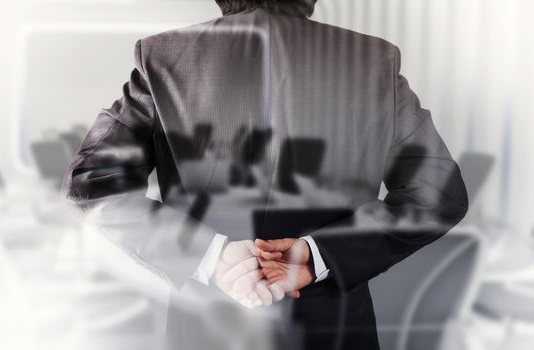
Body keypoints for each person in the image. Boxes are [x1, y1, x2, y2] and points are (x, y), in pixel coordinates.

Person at [61, 0, 468, 349]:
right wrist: (317, 256)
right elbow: (436, 193)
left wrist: (213, 257)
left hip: (207, 332)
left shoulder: (163, 57)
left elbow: (92, 182)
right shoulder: (373, 60)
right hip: (334, 332)